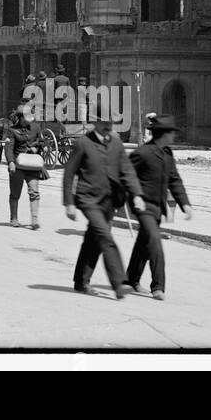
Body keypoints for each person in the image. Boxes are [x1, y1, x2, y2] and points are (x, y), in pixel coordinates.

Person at [63, 115, 146, 299]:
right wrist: (69, 202)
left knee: (94, 239)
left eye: (110, 123)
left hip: (109, 200)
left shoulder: (116, 143)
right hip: (88, 199)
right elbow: (69, 173)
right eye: (104, 122)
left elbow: (127, 170)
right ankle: (119, 283)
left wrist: (137, 194)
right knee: (105, 236)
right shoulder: (83, 143)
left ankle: (81, 281)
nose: (108, 126)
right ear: (95, 122)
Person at [125, 114, 192, 301]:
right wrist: (135, 196)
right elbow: (127, 176)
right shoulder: (143, 153)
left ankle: (131, 279)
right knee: (154, 241)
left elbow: (174, 180)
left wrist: (185, 204)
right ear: (164, 133)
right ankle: (158, 286)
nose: (174, 136)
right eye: (172, 132)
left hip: (157, 207)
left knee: (144, 244)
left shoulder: (167, 153)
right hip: (143, 205)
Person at [4, 105, 48, 229]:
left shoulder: (36, 127)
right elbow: (8, 147)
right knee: (15, 194)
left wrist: (39, 147)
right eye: (27, 116)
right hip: (18, 166)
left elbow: (42, 141)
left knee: (34, 192)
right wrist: (10, 162)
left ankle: (34, 220)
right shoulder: (12, 130)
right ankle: (14, 218)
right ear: (21, 117)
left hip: (33, 165)